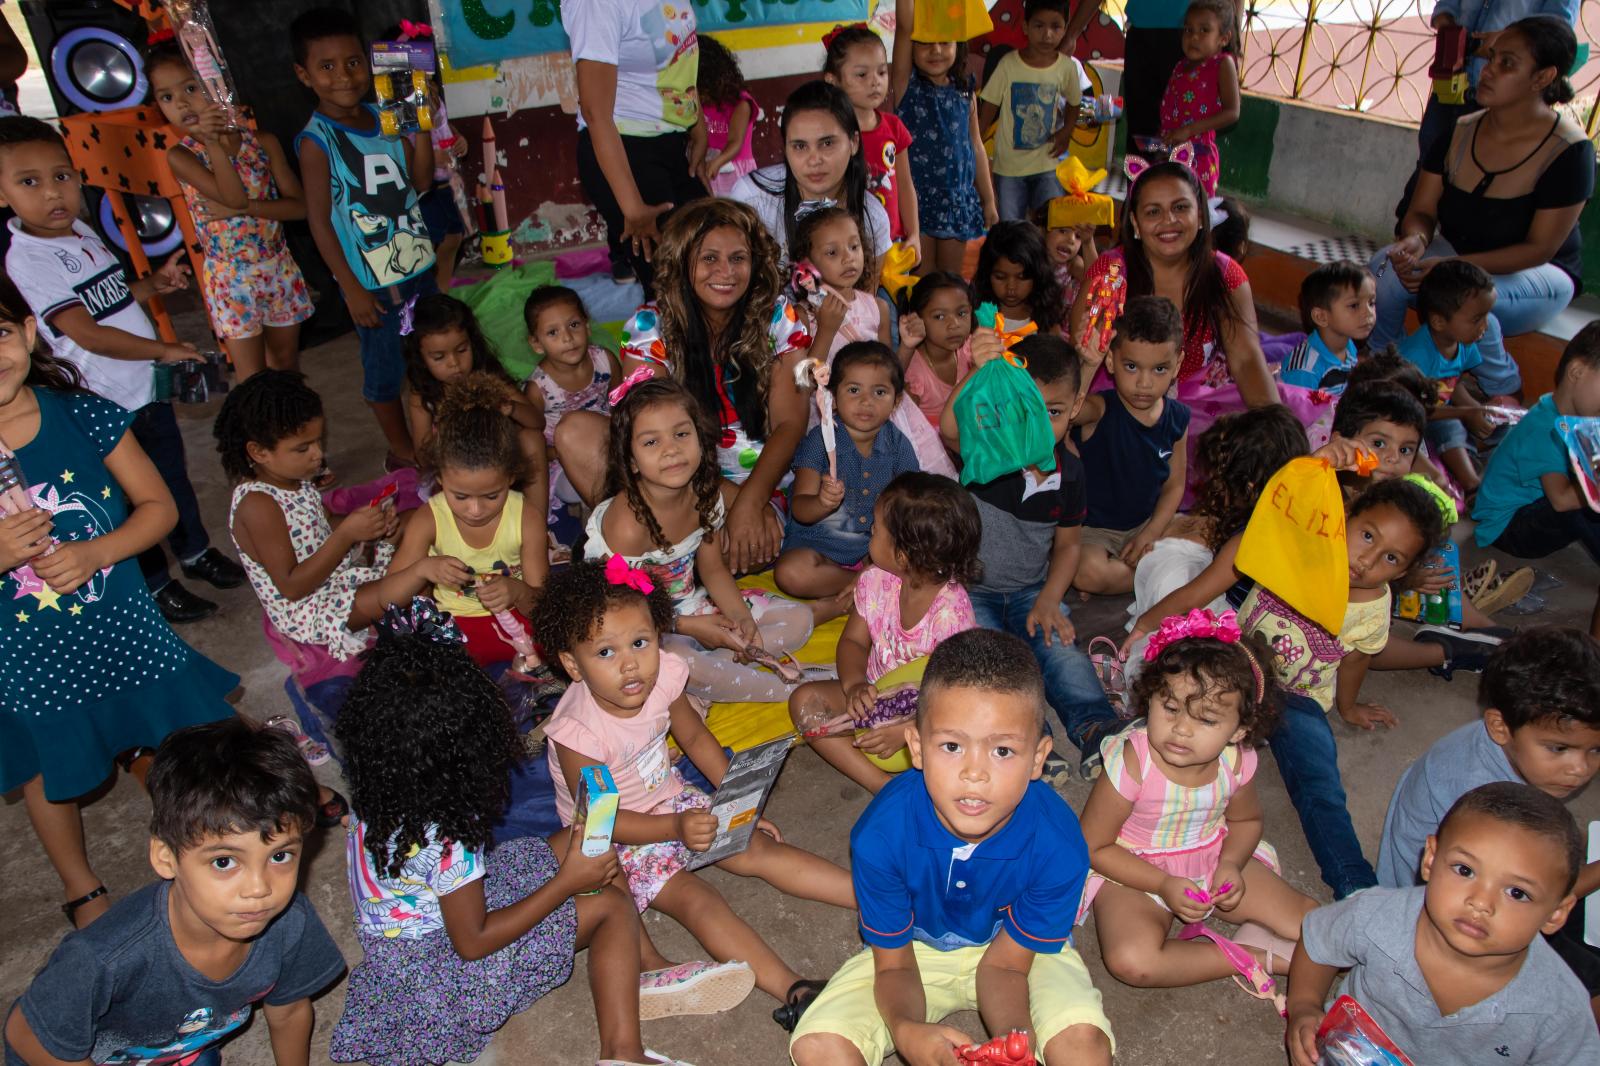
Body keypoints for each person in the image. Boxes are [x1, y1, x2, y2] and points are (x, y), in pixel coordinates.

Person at [328, 607, 715, 1066]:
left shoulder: (381, 794)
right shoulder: (450, 835)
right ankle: (624, 1053)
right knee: (607, 902)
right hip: (453, 976)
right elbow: (473, 942)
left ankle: (643, 966)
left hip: (413, 945)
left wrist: (572, 870)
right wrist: (565, 884)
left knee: (586, 839)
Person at [0, 287, 244, 934]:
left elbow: (159, 509)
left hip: (124, 629)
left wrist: (95, 554)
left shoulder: (83, 414)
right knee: (49, 767)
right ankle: (81, 886)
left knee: (186, 735)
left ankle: (204, 824)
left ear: (28, 333)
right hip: (32, 654)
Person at [536, 559, 853, 1032]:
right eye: (605, 652)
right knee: (697, 899)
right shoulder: (577, 734)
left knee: (757, 849)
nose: (629, 664)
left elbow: (696, 739)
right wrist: (675, 828)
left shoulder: (664, 674)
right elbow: (605, 821)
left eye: (640, 643)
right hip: (616, 840)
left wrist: (736, 799)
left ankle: (880, 900)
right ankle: (795, 989)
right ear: (570, 665)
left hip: (670, 801)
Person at [789, 629, 1115, 1066]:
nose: (974, 773)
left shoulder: (1060, 844)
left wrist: (1013, 1045)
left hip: (1021, 952)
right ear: (916, 748)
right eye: (951, 746)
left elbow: (1007, 967)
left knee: (1084, 1049)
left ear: (1037, 759)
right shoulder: (881, 834)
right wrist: (907, 1032)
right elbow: (894, 965)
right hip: (911, 953)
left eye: (1002, 750)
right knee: (818, 1049)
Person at [1128, 474, 1445, 899]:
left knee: (1319, 784)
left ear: (1404, 570)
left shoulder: (1373, 609)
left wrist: (1347, 708)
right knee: (1162, 723)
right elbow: (1206, 585)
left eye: (1391, 557)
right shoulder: (1298, 548)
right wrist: (1149, 623)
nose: (1368, 560)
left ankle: (1355, 886)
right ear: (1343, 518)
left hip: (1298, 698)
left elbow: (1355, 660)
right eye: (1367, 535)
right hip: (1237, 669)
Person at [0, 115, 245, 625]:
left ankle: (196, 552)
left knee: (171, 479)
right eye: (29, 182)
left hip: (142, 390)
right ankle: (156, 584)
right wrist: (163, 349)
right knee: (130, 501)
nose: (53, 193)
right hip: (104, 404)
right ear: (2, 195)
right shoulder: (28, 260)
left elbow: (105, 300)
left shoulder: (79, 230)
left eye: (62, 176)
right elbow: (84, 333)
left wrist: (152, 285)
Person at [2, 720, 345, 1066]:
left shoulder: (291, 922)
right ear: (165, 857)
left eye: (280, 856)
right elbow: (24, 1034)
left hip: (180, 1044)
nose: (260, 889)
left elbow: (288, 1013)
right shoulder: (105, 957)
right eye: (224, 861)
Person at [561, 199, 813, 574]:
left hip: (760, 484)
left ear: (756, 262)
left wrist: (749, 505)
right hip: (671, 478)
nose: (724, 272)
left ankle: (659, 559)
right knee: (574, 433)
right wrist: (735, 503)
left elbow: (790, 426)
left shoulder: (779, 319)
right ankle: (658, 547)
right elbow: (645, 433)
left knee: (733, 550)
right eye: (709, 258)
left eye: (738, 258)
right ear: (681, 260)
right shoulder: (651, 327)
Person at [1080, 613, 1315, 1001]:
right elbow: (1093, 847)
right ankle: (1249, 956)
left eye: (1205, 718)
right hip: (1135, 871)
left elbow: (1247, 820)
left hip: (1211, 854)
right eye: (1170, 707)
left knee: (1312, 923)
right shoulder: (1133, 762)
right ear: (1150, 697)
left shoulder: (1235, 762)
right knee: (1131, 960)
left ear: (1239, 730)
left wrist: (1231, 864)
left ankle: (1260, 932)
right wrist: (1161, 884)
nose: (1182, 728)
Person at [1287, 782, 1600, 1065]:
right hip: (1352, 1052)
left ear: (1556, 913)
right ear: (1431, 860)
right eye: (1465, 870)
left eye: (1517, 892)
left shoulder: (1559, 1010)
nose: (1480, 902)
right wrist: (1303, 1005)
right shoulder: (1377, 914)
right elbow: (1319, 943)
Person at [1377, 628, 1600, 1015]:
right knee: (1580, 988)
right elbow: (1531, 898)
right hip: (1435, 920)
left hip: (1463, 881)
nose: (1580, 769)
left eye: (1596, 749)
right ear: (1500, 727)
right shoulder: (1496, 805)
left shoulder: (1499, 745)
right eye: (1559, 749)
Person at [1373, 15, 1594, 399]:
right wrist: (1416, 240)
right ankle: (1379, 366)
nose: (1487, 70)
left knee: (1468, 301)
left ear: (1543, 78)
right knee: (1385, 267)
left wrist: (1456, 268)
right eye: (1490, 58)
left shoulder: (1570, 151)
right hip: (1458, 259)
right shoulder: (1459, 129)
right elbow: (1422, 210)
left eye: (1506, 63)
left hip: (1539, 273)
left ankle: (1503, 392)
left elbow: (1539, 248)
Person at [950, 333, 1123, 776]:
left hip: (1032, 591)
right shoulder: (985, 450)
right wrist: (978, 373)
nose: (1041, 426)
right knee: (992, 663)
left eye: (1054, 412)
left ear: (1077, 405)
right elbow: (950, 426)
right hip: (973, 592)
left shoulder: (1072, 473)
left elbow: (1067, 545)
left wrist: (1050, 596)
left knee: (1064, 651)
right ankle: (1031, 739)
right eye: (1028, 410)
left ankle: (1098, 729)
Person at [584, 379, 814, 704]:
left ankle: (712, 677)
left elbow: (713, 569)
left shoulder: (705, 495)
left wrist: (741, 619)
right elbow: (622, 611)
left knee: (798, 620)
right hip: (647, 627)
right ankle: (789, 691)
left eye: (681, 434)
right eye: (651, 442)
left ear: (700, 439)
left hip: (699, 606)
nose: (671, 449)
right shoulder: (626, 526)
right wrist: (689, 626)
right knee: (680, 664)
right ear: (631, 460)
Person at [219, 370, 455, 662]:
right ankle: (422, 633)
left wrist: (372, 525)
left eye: (318, 442)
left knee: (416, 520)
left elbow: (326, 523)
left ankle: (411, 594)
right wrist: (347, 535)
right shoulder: (258, 505)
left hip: (338, 571)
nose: (318, 455)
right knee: (404, 588)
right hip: (312, 606)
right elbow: (292, 587)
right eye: (303, 448)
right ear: (258, 452)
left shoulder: (295, 477)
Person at [291, 6, 437, 469]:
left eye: (353, 62)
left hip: (417, 260)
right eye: (326, 67)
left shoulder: (387, 115)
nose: (343, 76)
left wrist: (422, 127)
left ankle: (428, 432)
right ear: (304, 75)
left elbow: (421, 183)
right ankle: (402, 450)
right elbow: (318, 220)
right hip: (373, 279)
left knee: (425, 353)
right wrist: (350, 287)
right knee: (385, 367)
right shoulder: (317, 141)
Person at [787, 472, 981, 794]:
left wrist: (909, 731)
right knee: (804, 702)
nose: (869, 533)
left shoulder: (952, 615)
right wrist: (854, 686)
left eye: (875, 530)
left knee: (964, 738)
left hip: (929, 714)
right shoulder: (874, 581)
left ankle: (916, 768)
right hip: (873, 691)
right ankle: (879, 784)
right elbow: (853, 641)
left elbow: (959, 699)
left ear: (903, 556)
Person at [147, 43, 312, 380]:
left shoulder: (261, 142)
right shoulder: (182, 156)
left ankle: (294, 429)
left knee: (286, 365)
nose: (180, 103)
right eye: (166, 97)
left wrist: (249, 207)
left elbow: (300, 207)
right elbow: (232, 196)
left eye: (190, 88)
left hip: (277, 267)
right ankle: (264, 432)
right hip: (230, 278)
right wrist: (211, 142)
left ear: (217, 87)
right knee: (253, 377)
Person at [1072, 162, 1279, 408]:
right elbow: (1084, 355)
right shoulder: (1110, 276)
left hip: (1193, 405)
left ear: (1201, 216)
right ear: (1135, 223)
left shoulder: (1225, 275)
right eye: (1153, 212)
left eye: (1180, 207)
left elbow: (1246, 360)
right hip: (1114, 402)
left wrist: (1274, 426)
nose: (1169, 220)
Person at [389, 374, 558, 674]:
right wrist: (422, 570)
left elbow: (542, 605)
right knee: (416, 662)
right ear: (440, 478)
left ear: (511, 478)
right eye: (461, 496)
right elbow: (390, 598)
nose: (476, 509)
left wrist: (517, 591)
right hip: (454, 625)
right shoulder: (429, 517)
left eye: (492, 496)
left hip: (516, 620)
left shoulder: (525, 516)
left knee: (566, 639)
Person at [1122, 405, 1311, 670]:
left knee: (1172, 586)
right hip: (1275, 623)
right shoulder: (1296, 513)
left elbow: (1191, 597)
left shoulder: (1251, 540)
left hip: (1252, 632)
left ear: (1248, 487)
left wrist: (1143, 624)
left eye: (1224, 480)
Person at [790, 205, 954, 477]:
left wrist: (908, 346)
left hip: (886, 417)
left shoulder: (877, 307)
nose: (848, 259)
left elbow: (889, 377)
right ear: (807, 263)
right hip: (837, 422)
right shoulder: (804, 315)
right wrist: (826, 330)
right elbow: (802, 383)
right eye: (833, 252)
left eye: (854, 247)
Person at [565, 0, 708, 290]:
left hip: (669, 141)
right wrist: (634, 208)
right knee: (673, 287)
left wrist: (697, 125)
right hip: (625, 149)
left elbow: (682, 57)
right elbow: (596, 113)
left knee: (710, 258)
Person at [1474, 322, 1600, 636]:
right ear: (1577, 372)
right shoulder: (1547, 429)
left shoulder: (1569, 415)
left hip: (1532, 506)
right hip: (1509, 528)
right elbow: (1559, 500)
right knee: (1578, 505)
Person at [777, 342, 921, 603]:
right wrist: (822, 502)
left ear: (896, 400)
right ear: (831, 396)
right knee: (791, 573)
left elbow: (909, 509)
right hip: (817, 551)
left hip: (873, 553)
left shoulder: (899, 445)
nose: (866, 401)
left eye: (879, 392)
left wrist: (885, 556)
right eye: (854, 390)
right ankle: (868, 586)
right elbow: (800, 509)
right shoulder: (819, 440)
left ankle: (867, 584)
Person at [1071, 297, 1192, 596]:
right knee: (1087, 574)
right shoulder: (1099, 409)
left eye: (1160, 369)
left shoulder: (1177, 417)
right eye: (1132, 367)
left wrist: (1150, 534)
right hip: (1095, 531)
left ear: (1177, 364)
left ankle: (1147, 567)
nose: (1145, 383)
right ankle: (1162, 573)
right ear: (1111, 361)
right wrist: (1088, 363)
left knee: (1212, 531)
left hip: (1148, 524)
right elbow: (1066, 411)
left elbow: (1175, 486)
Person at [730, 80, 893, 270]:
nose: (814, 160)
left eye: (827, 143)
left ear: (854, 142)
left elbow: (864, 299)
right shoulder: (753, 201)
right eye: (800, 146)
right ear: (785, 148)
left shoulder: (872, 218)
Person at [402, 294, 546, 501]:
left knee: (532, 439)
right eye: (439, 357)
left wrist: (510, 408)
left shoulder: (489, 376)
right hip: (458, 477)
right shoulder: (423, 396)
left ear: (473, 342)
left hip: (503, 466)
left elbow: (537, 422)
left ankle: (536, 522)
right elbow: (423, 456)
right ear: (421, 359)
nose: (454, 363)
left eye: (462, 350)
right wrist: (447, 429)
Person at [890, 4, 994, 274]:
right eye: (924, 43)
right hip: (918, 203)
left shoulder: (965, 90)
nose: (935, 50)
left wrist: (989, 199)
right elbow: (904, 26)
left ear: (958, 45)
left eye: (944, 42)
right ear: (911, 47)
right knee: (922, 282)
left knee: (949, 281)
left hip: (955, 202)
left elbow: (976, 146)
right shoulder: (906, 85)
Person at [1397, 259, 1497, 496]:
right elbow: (1414, 409)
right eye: (1476, 319)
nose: (1484, 326)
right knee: (1450, 426)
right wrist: (1464, 413)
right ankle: (1471, 484)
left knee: (1497, 420)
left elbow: (1454, 385)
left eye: (1486, 316)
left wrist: (1475, 408)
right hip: (1411, 415)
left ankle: (1467, 452)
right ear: (1439, 321)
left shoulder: (1464, 342)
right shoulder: (1416, 357)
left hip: (1441, 408)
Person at [978, 0, 1082, 221]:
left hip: (1047, 164)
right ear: (1025, 27)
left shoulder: (1067, 67)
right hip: (1008, 169)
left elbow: (1075, 102)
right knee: (1010, 229)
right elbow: (988, 108)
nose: (1047, 35)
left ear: (1066, 29)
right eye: (1039, 26)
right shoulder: (1008, 65)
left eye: (1056, 27)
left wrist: (1066, 132)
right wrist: (973, 146)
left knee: (1053, 224)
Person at [522, 285, 619, 514]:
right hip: (566, 459)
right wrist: (560, 453)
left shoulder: (604, 360)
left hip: (607, 439)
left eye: (574, 325)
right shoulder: (538, 388)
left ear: (586, 326)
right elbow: (530, 445)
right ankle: (604, 515)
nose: (567, 338)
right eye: (553, 333)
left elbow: (623, 406)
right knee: (568, 491)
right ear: (537, 343)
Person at [824, 24, 919, 251]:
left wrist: (914, 234)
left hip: (894, 243)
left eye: (882, 72)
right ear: (833, 81)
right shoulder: (830, 134)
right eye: (862, 74)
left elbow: (905, 185)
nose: (875, 81)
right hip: (851, 247)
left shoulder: (894, 127)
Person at [1157, 0, 1240, 196]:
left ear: (1224, 38)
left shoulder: (1222, 64)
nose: (1194, 36)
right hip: (1170, 153)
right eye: (1188, 29)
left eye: (1204, 30)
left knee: (1195, 210)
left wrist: (1189, 130)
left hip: (1199, 159)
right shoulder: (1180, 66)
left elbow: (1232, 112)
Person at [1279, 261, 1376, 396]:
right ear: (1321, 317)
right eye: (1354, 305)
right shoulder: (1305, 369)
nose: (1369, 313)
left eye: (1371, 303)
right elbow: (1298, 413)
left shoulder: (1348, 345)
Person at [897, 271, 975, 429]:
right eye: (939, 316)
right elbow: (906, 429)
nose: (954, 324)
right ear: (916, 319)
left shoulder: (971, 350)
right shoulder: (915, 373)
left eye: (961, 313)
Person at [975, 219, 1067, 336]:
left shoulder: (1046, 323)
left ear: (1038, 275)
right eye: (1000, 277)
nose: (1011, 287)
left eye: (1022, 277)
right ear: (987, 274)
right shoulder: (976, 316)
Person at [696, 34, 758, 196]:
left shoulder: (741, 102)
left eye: (700, 86)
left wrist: (716, 162)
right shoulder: (699, 103)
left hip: (735, 171)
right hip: (710, 169)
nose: (698, 94)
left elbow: (735, 142)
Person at [1041, 211, 1096, 309]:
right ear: (1043, 230)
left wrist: (1088, 242)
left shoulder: (1073, 264)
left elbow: (1096, 279)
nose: (1071, 240)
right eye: (1063, 231)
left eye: (1078, 236)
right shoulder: (1030, 258)